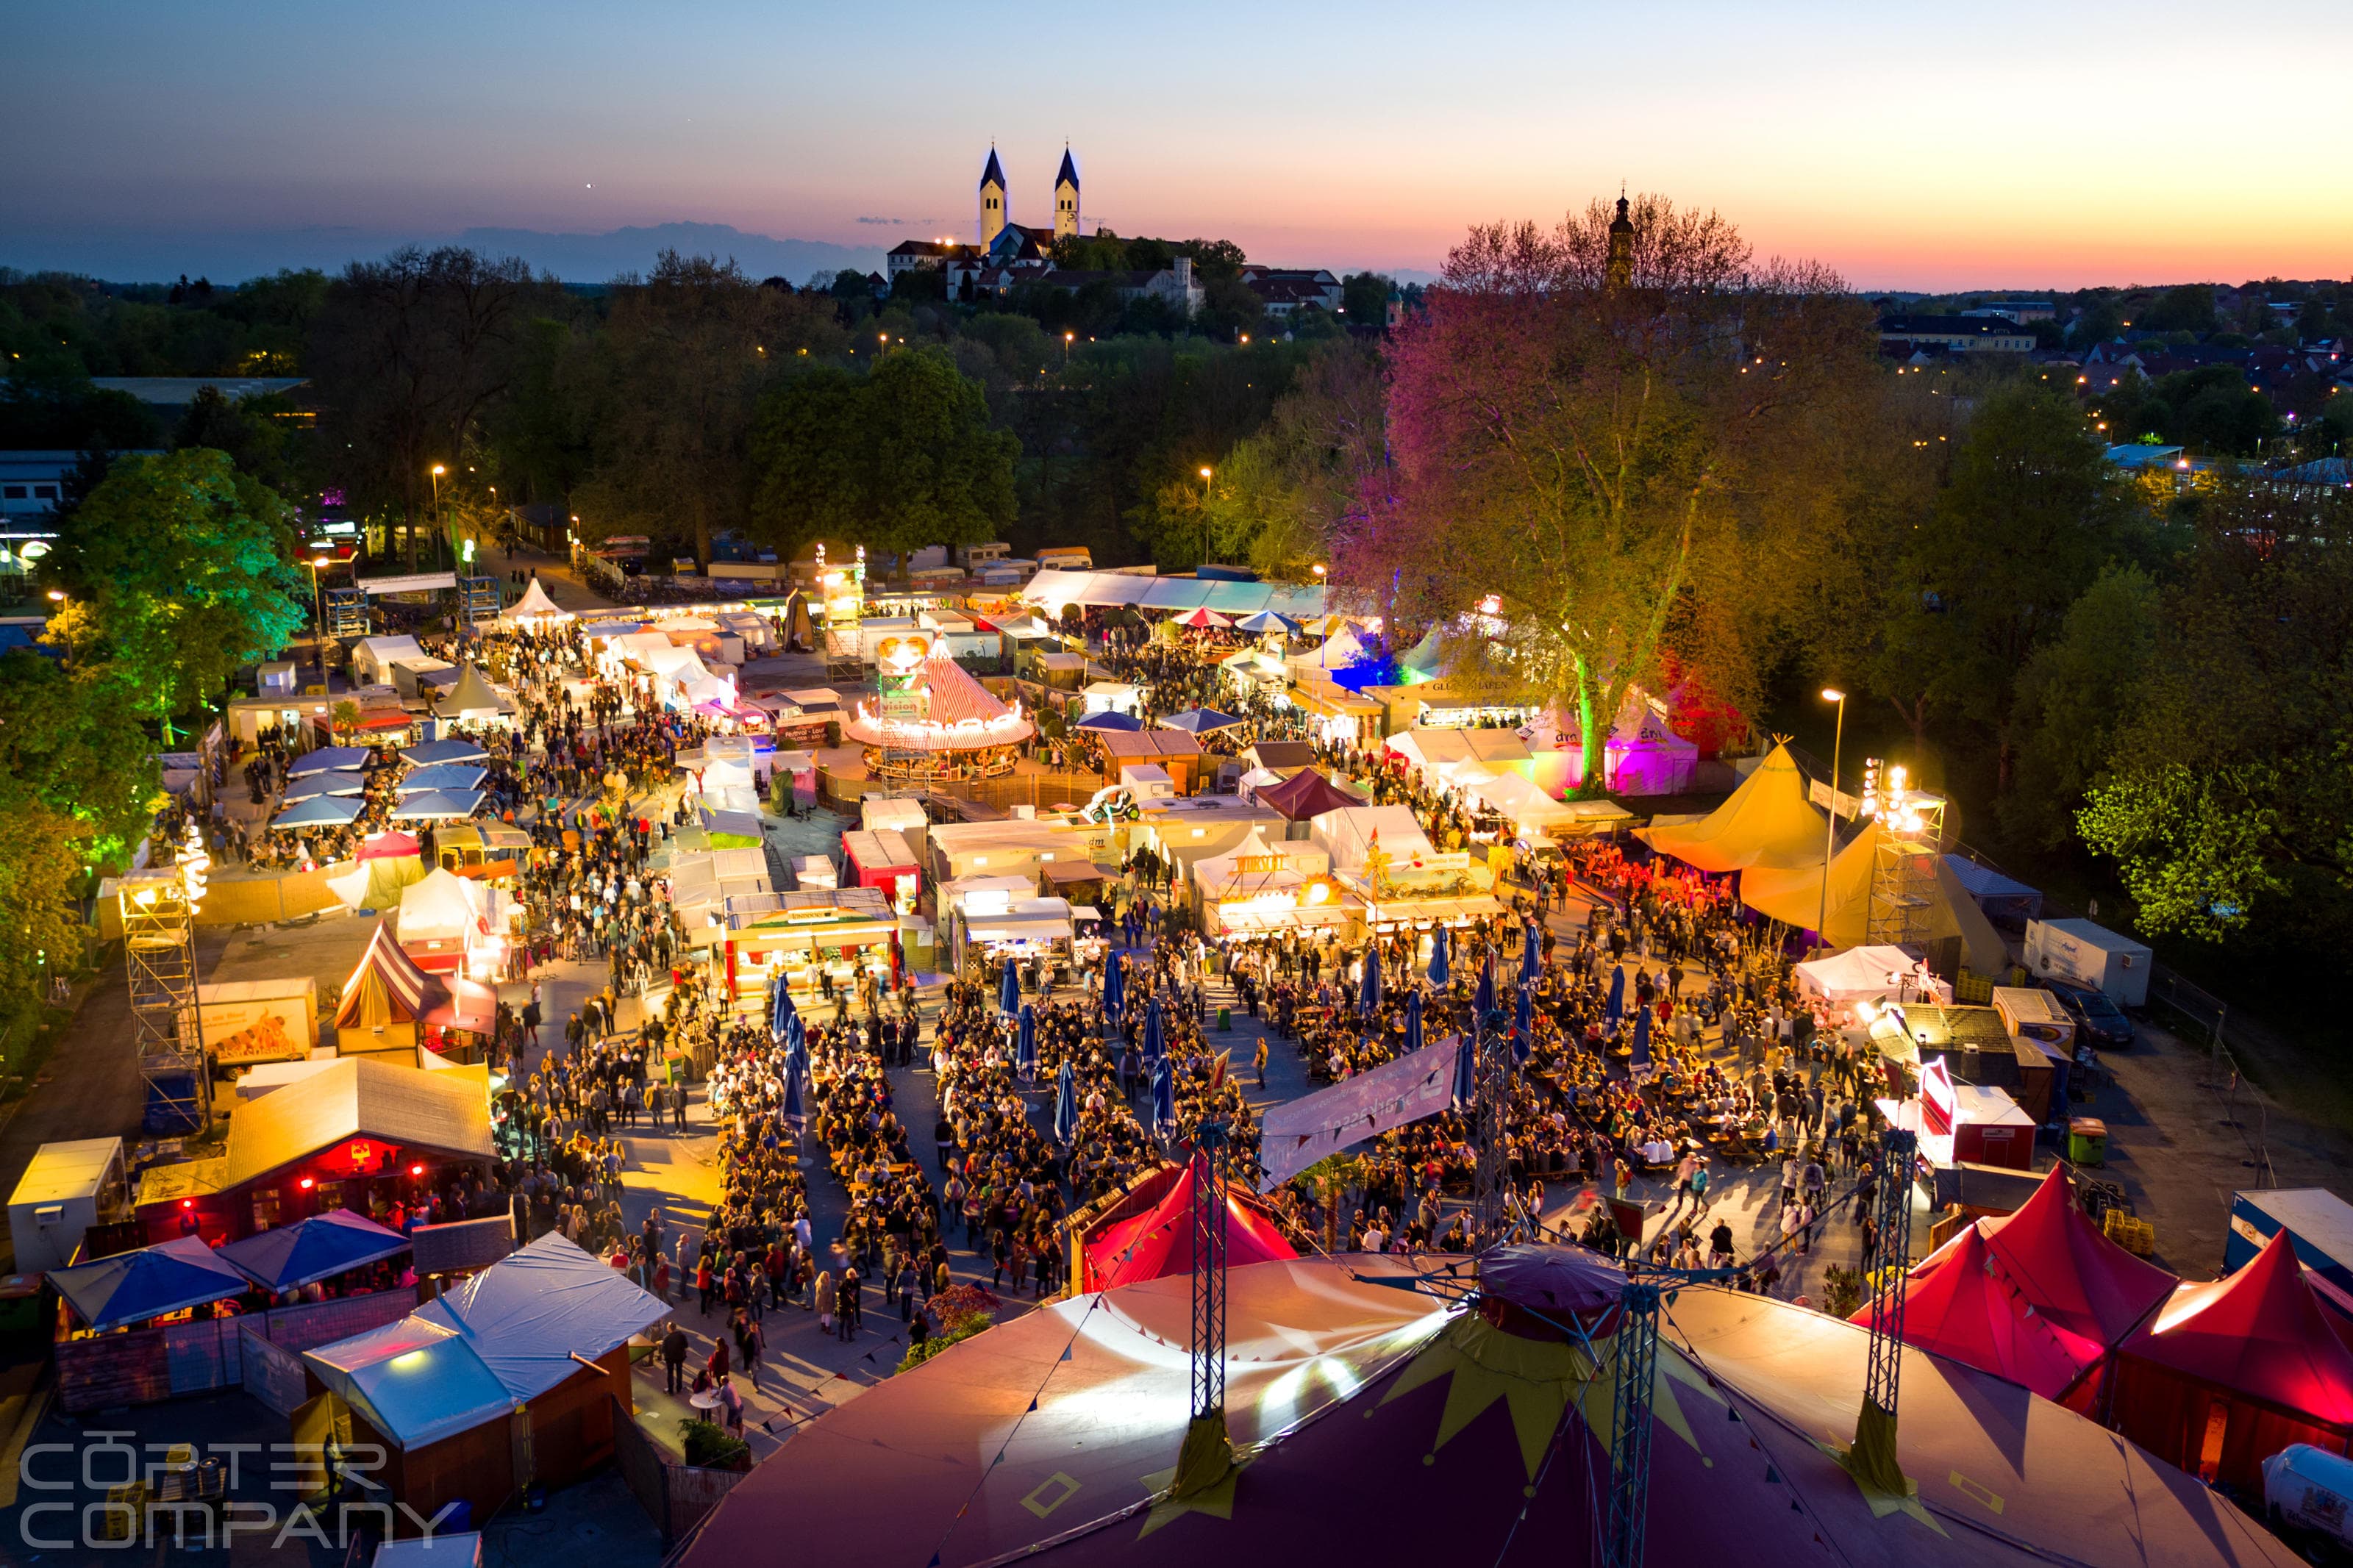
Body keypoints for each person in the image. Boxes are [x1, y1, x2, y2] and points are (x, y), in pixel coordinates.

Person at [661, 1322, 689, 1394]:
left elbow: (663, 1350)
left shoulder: (666, 1338)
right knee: (679, 1371)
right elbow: (686, 1345)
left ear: (669, 1329)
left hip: (670, 1358)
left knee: (670, 1373)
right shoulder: (681, 1335)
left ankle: (671, 1390)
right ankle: (679, 1388)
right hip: (680, 1357)